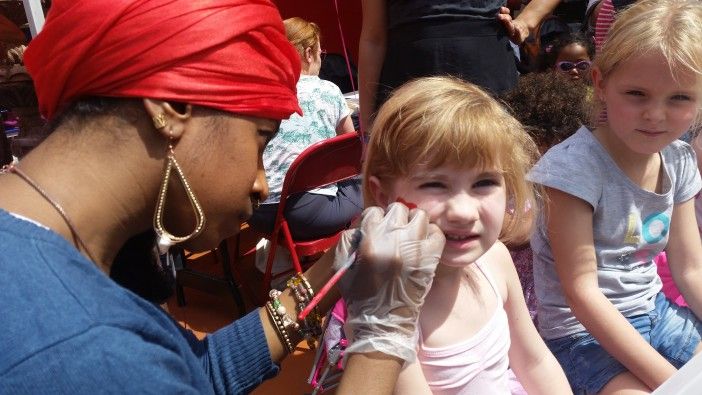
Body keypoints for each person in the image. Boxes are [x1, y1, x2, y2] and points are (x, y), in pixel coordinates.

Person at [0, 1, 446, 394]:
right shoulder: (82, 346)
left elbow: (196, 374)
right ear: (171, 106)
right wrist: (383, 336)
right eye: (260, 141)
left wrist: (327, 275)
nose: (262, 184)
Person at [528, 1, 702, 393]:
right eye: (637, 93)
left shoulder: (679, 159)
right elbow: (583, 293)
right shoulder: (572, 171)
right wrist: (672, 383)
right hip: (582, 334)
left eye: (679, 98)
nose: (655, 115)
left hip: (655, 311)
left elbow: (690, 269)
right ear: (600, 83)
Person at [362, 76, 571, 394]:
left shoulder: (496, 259)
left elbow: (534, 361)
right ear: (383, 196)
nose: (463, 211)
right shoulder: (392, 310)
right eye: (434, 184)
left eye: (484, 182)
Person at [358, 0, 561, 130]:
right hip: (411, 80)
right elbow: (373, 38)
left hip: (487, 71)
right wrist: (367, 130)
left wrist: (526, 22)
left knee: (492, 175)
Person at [248, 16, 361, 243]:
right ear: (308, 53)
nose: (321, 59)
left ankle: (278, 256)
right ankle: (351, 257)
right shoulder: (329, 90)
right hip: (311, 214)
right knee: (368, 180)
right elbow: (352, 148)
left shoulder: (257, 92)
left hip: (257, 213)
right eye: (321, 53)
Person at [500, 71, 590, 325]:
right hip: (517, 298)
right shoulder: (512, 188)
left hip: (553, 298)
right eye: (539, 144)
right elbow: (517, 230)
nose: (550, 156)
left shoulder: (564, 188)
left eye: (560, 144)